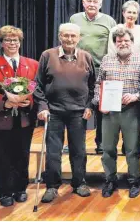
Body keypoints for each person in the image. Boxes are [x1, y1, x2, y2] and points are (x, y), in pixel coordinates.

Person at [34, 23, 96, 203]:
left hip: (78, 113)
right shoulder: (47, 55)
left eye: (73, 36)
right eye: (66, 35)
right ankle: (52, 186)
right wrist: (43, 107)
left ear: (79, 38)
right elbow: (38, 85)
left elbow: (93, 86)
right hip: (54, 112)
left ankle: (79, 183)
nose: (69, 39)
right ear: (59, 36)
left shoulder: (86, 57)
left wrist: (89, 106)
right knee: (53, 151)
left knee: (79, 150)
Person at [93, 28, 140, 198]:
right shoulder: (107, 60)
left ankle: (134, 181)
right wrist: (99, 102)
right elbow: (98, 84)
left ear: (132, 42)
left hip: (132, 110)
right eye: (119, 41)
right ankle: (110, 180)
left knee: (132, 149)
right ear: (115, 44)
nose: (123, 44)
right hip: (109, 112)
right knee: (108, 148)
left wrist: (136, 96)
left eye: (126, 41)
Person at [0, 26, 39, 207]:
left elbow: (38, 91)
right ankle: (4, 191)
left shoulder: (33, 64)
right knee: (2, 156)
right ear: (1, 43)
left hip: (24, 119)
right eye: (8, 40)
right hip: (0, 120)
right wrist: (4, 103)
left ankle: (21, 188)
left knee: (22, 154)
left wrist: (29, 102)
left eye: (16, 40)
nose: (12, 43)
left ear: (20, 43)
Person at [70, 0, 117, 154]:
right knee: (78, 107)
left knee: (102, 108)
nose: (91, 4)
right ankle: (76, 143)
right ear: (83, 2)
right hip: (78, 69)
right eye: (88, 1)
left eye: (95, 2)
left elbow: (114, 46)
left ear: (100, 4)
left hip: (101, 70)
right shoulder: (74, 19)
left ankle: (101, 144)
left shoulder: (109, 21)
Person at [107, 0, 140, 153]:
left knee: (136, 110)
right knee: (118, 110)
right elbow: (111, 50)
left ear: (137, 15)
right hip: (117, 69)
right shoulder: (115, 30)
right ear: (123, 13)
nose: (131, 15)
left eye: (134, 12)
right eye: (129, 12)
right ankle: (114, 143)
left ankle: (134, 141)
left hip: (136, 70)